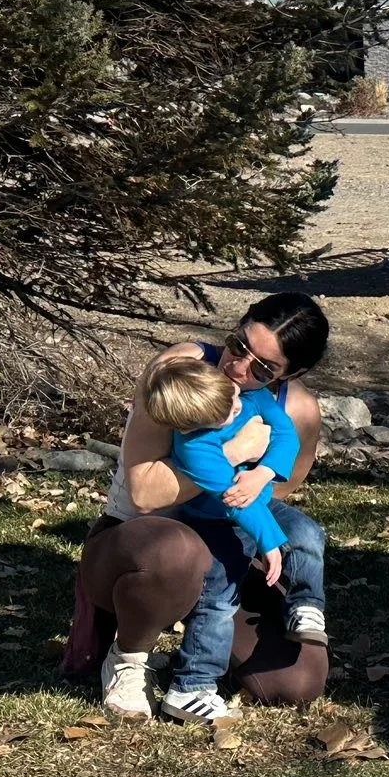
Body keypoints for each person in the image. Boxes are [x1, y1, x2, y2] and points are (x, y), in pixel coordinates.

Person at [69, 293, 332, 717]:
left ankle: (226, 624)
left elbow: (275, 495)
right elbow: (145, 494)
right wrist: (233, 452)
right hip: (139, 543)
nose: (238, 367)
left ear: (293, 373)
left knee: (294, 683)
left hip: (225, 538)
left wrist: (258, 493)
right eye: (239, 343)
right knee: (177, 550)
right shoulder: (180, 374)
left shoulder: (296, 408)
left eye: (263, 368)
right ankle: (129, 658)